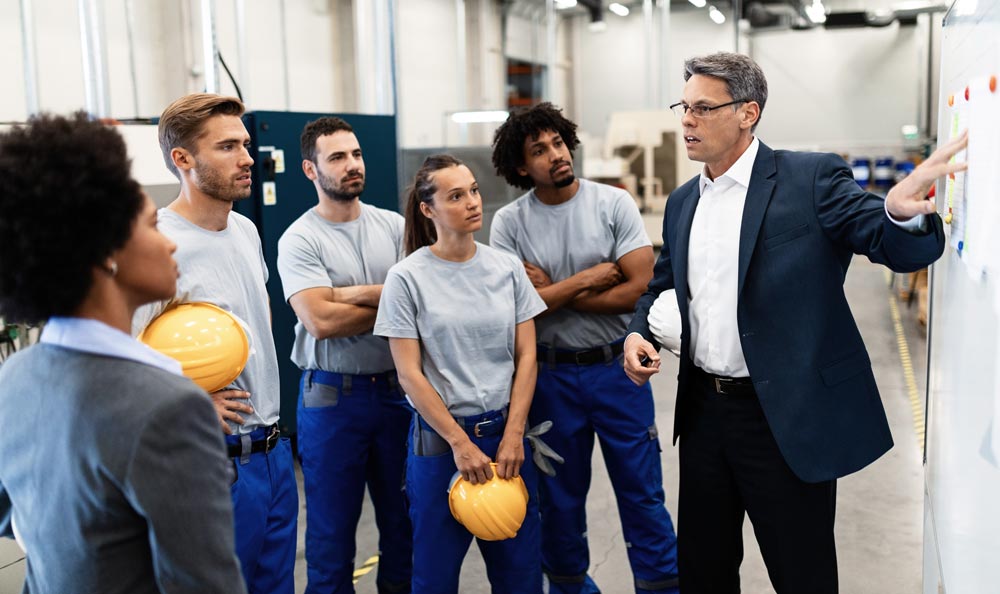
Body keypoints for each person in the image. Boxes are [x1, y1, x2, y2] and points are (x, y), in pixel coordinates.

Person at [623, 52, 968, 594]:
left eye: (702, 108)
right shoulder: (684, 200)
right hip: (705, 414)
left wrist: (899, 211)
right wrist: (639, 331)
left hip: (783, 417)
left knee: (800, 572)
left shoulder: (810, 178)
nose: (686, 121)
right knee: (703, 568)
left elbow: (884, 241)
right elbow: (663, 284)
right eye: (683, 107)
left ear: (747, 113)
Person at [0, 113, 245, 593]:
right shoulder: (167, 407)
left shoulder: (18, 374)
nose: (169, 242)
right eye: (152, 226)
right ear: (106, 252)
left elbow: (14, 518)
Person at [490, 102, 680, 594]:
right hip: (550, 380)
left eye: (557, 142)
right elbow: (519, 310)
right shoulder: (509, 224)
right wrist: (593, 277)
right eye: (539, 150)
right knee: (559, 498)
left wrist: (556, 291)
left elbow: (639, 288)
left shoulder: (612, 204)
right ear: (520, 166)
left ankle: (660, 586)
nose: (555, 154)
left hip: (618, 369)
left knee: (642, 493)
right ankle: (571, 586)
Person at [135, 93, 298, 594]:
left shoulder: (246, 230)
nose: (247, 158)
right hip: (212, 464)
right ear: (182, 159)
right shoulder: (158, 244)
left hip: (273, 455)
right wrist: (191, 402)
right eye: (228, 146)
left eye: (245, 144)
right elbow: (122, 360)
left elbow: (256, 324)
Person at [374, 155, 547, 594]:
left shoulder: (506, 268)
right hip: (440, 445)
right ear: (427, 210)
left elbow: (527, 357)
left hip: (506, 439)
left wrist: (513, 433)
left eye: (472, 190)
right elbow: (410, 374)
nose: (473, 202)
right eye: (456, 195)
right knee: (434, 577)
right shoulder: (406, 279)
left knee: (520, 574)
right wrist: (458, 442)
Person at [277, 116, 412, 593]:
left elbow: (421, 304)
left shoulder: (396, 227)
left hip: (400, 394)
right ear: (311, 170)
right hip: (332, 400)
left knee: (404, 527)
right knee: (332, 537)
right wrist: (391, 296)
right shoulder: (299, 239)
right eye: (337, 157)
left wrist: (345, 293)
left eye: (355, 154)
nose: (352, 165)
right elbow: (320, 322)